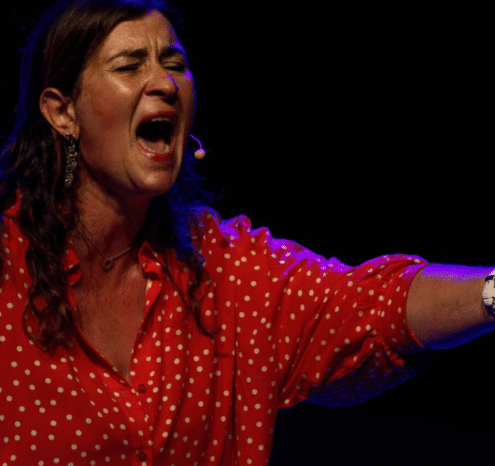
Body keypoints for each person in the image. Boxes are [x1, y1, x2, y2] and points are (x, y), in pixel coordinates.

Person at [0, 0, 493, 465]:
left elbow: (368, 305)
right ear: (63, 112)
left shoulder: (222, 267)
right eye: (129, 67)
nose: (165, 83)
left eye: (174, 64)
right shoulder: (7, 267)